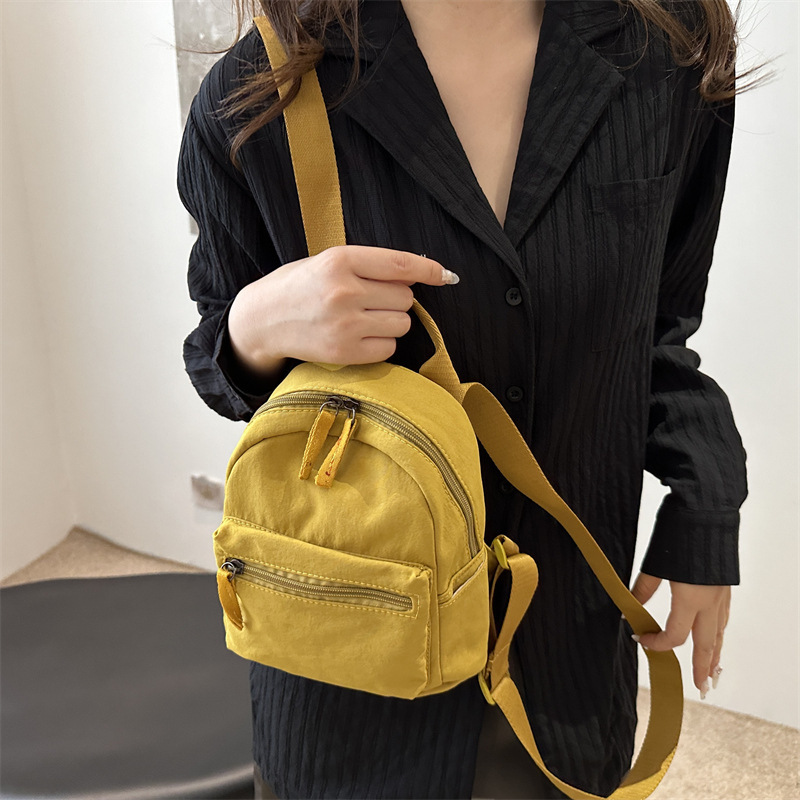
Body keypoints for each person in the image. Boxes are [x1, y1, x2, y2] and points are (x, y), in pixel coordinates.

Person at [177, 1, 758, 797]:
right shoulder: (258, 92)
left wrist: (706, 497)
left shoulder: (668, 50)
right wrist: (257, 324)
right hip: (352, 665)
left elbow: (655, 328)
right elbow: (218, 356)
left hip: (563, 651)